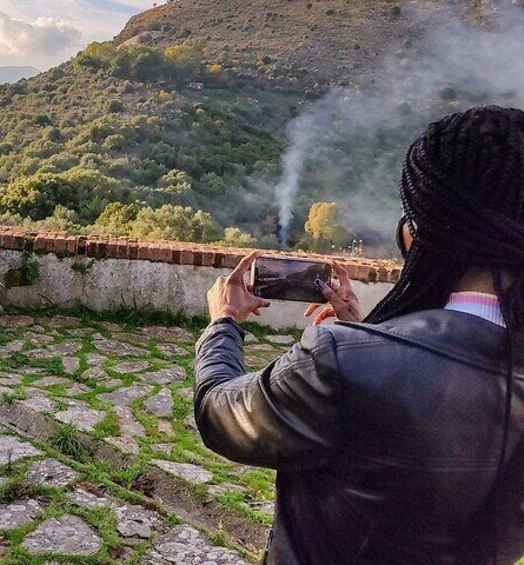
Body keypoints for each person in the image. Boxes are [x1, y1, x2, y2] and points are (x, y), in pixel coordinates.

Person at [195, 105, 524, 564]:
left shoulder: (340, 359)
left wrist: (223, 324)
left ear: (414, 235)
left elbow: (220, 413)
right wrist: (367, 332)